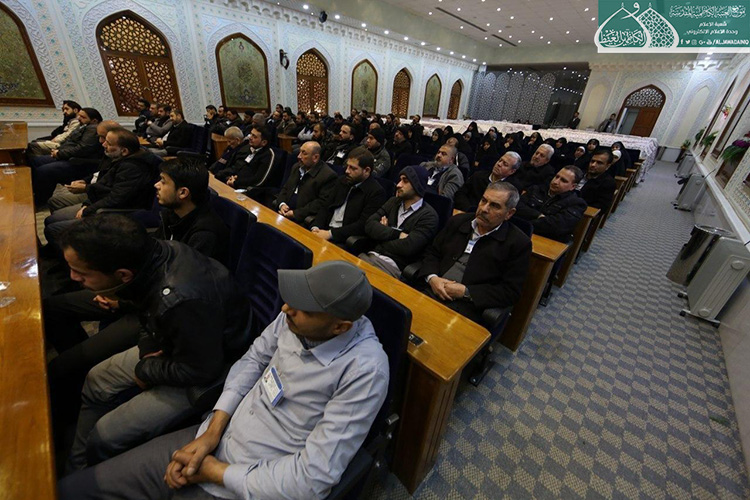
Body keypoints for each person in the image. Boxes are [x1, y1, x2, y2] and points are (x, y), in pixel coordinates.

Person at [58, 260, 388, 500]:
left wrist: (216, 472)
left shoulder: (365, 371)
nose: (286, 308)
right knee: (71, 491)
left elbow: (313, 478)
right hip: (215, 435)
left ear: (340, 327)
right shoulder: (293, 318)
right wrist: (212, 431)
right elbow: (253, 360)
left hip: (251, 481)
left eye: (303, 309)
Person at [52, 215, 248, 472]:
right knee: (96, 380)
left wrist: (146, 369)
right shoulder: (150, 261)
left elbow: (201, 370)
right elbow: (146, 312)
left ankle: (85, 475)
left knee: (105, 435)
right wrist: (147, 353)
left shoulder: (178, 299)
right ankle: (77, 463)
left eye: (82, 274)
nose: (73, 277)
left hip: (211, 369)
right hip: (173, 344)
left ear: (122, 275)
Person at [416, 182, 531, 323]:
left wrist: (466, 292)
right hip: (432, 290)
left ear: (509, 213)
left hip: (467, 308)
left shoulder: (518, 243)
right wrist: (432, 278)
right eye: (483, 200)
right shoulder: (458, 221)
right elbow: (432, 252)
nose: (484, 209)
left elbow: (510, 291)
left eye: (494, 206)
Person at [43, 127, 160, 248]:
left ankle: (72, 258)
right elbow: (102, 184)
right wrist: (87, 203)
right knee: (51, 219)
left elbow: (116, 198)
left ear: (124, 151)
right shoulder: (118, 158)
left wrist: (88, 209)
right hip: (99, 203)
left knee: (53, 228)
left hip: (113, 212)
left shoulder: (133, 167)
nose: (103, 144)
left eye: (108, 143)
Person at [359, 165, 438, 277]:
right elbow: (369, 225)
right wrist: (397, 234)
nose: (398, 185)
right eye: (400, 180)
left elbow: (408, 247)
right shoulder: (393, 202)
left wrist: (381, 235)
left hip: (392, 268)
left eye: (405, 181)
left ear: (417, 185)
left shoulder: (429, 216)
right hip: (370, 256)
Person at [154, 159, 230, 265]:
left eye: (163, 182)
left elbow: (188, 271)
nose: (156, 185)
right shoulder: (173, 214)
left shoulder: (205, 234)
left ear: (183, 192)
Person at [311, 147, 386, 243]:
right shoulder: (342, 181)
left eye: (353, 168)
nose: (347, 171)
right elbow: (325, 206)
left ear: (366, 170)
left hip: (343, 239)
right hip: (323, 231)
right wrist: (316, 227)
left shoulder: (376, 192)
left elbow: (362, 225)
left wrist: (330, 234)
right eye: (347, 166)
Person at [31, 108, 105, 204]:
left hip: (79, 162)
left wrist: (59, 153)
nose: (78, 118)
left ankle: (40, 201)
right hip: (68, 156)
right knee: (34, 161)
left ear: (94, 120)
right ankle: (32, 192)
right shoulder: (83, 126)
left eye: (83, 117)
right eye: (79, 116)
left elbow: (82, 149)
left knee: (44, 171)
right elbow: (69, 141)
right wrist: (59, 151)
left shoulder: (93, 128)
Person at [45, 121, 123, 212]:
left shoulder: (122, 159)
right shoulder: (109, 151)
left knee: (47, 172)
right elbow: (99, 173)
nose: (101, 142)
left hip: (100, 198)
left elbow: (113, 192)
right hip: (94, 189)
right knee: (54, 200)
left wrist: (86, 189)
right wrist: (85, 181)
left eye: (103, 137)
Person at [515, 165, 588, 242]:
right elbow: (517, 207)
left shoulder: (577, 204)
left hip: (548, 240)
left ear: (573, 186)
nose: (556, 182)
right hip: (521, 232)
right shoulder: (536, 189)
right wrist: (537, 215)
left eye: (563, 180)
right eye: (556, 177)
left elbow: (556, 227)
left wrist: (524, 223)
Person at [274, 141, 337, 224]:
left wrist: (295, 214)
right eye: (300, 152)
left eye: (304, 153)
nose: (299, 156)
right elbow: (286, 188)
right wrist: (282, 204)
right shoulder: (296, 167)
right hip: (283, 212)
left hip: (301, 220)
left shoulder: (327, 176)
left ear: (315, 157)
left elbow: (321, 203)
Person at [454, 152, 522, 212]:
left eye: (505, 164)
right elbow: (460, 193)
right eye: (500, 160)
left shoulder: (512, 189)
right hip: (467, 211)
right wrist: (469, 209)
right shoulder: (478, 176)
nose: (499, 164)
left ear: (512, 171)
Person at [221, 125, 276, 191]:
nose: (250, 138)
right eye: (251, 134)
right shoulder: (247, 148)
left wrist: (236, 182)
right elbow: (238, 167)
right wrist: (230, 177)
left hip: (251, 191)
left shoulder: (268, 155)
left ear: (264, 142)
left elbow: (259, 181)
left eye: (254, 137)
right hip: (237, 183)